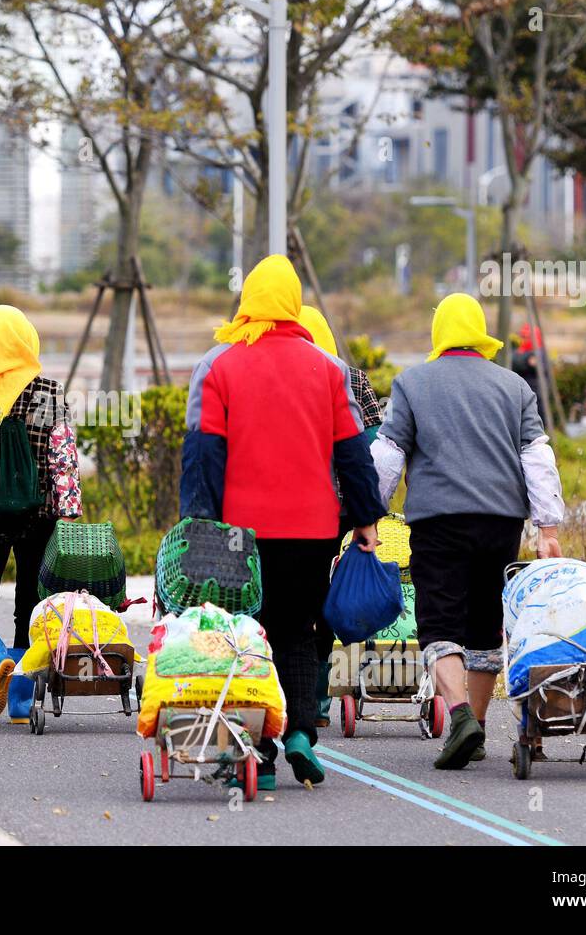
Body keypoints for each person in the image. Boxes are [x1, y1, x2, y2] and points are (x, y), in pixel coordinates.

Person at [181, 255, 384, 791]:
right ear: (294, 303)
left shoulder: (218, 366)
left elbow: (203, 454)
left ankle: (259, 757)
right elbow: (354, 455)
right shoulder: (328, 368)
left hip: (237, 536)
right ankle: (298, 732)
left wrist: (197, 524)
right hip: (313, 531)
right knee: (297, 630)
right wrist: (364, 519)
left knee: (246, 634)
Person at [371, 292, 565, 770]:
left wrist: (368, 513)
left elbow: (387, 457)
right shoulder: (515, 387)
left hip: (438, 522)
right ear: (480, 335)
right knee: (483, 628)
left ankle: (459, 716)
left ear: (439, 334)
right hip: (500, 523)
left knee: (439, 623)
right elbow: (537, 459)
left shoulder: (413, 383)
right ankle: (474, 730)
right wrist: (548, 527)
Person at [0, 305, 81, 724]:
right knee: (31, 607)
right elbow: (63, 457)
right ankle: (21, 702)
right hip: (39, 516)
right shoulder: (48, 392)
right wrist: (70, 512)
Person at [296, 305, 384, 727]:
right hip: (335, 512)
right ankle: (316, 703)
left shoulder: (280, 374)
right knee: (320, 603)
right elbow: (369, 449)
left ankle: (280, 695)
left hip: (280, 510)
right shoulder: (351, 379)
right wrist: (368, 512)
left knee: (284, 604)